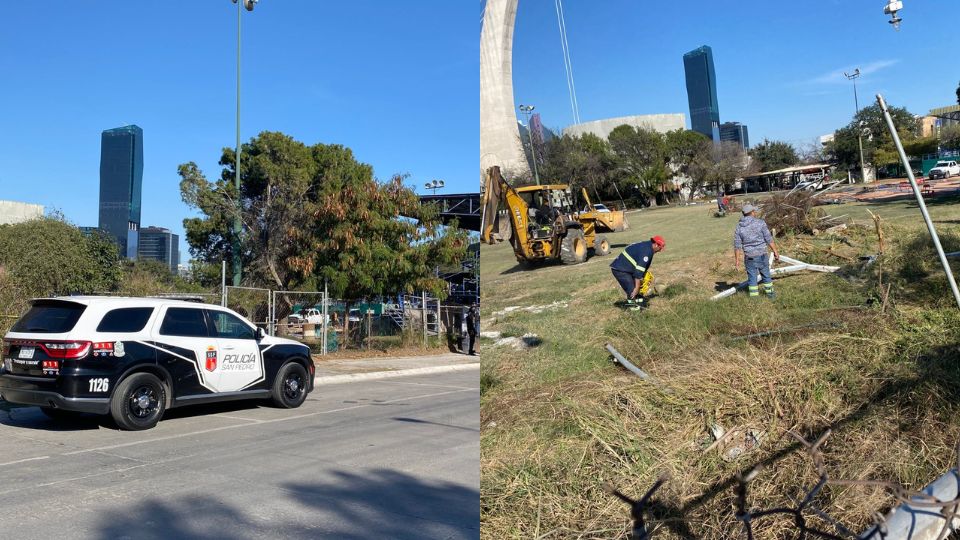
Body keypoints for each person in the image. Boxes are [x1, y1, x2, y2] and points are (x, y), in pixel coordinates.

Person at [734, 204, 779, 299]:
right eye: (754, 211)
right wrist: (775, 251)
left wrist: (737, 261)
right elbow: (768, 238)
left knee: (752, 279)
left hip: (749, 257)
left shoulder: (739, 227)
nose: (755, 213)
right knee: (766, 276)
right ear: (752, 213)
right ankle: (771, 296)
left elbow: (737, 245)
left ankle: (754, 299)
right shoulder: (760, 223)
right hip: (762, 254)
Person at [610, 235, 665, 310]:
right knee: (633, 290)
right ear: (656, 244)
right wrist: (636, 287)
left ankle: (640, 306)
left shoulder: (648, 247)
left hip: (626, 268)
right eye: (660, 248)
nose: (661, 250)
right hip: (620, 270)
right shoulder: (647, 251)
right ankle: (634, 311)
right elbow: (638, 271)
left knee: (638, 289)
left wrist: (642, 278)